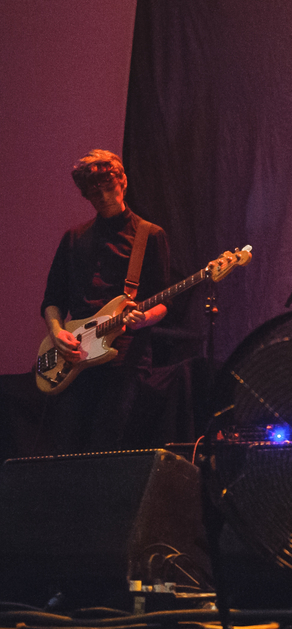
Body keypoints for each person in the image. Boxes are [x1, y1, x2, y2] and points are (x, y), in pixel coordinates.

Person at [40, 149, 171, 452]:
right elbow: (52, 298)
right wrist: (57, 332)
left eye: (106, 188)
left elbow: (165, 301)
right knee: (66, 446)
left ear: (122, 181)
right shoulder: (74, 237)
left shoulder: (149, 235)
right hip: (72, 354)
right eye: (92, 193)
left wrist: (146, 318)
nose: (101, 197)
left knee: (107, 443)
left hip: (124, 357)